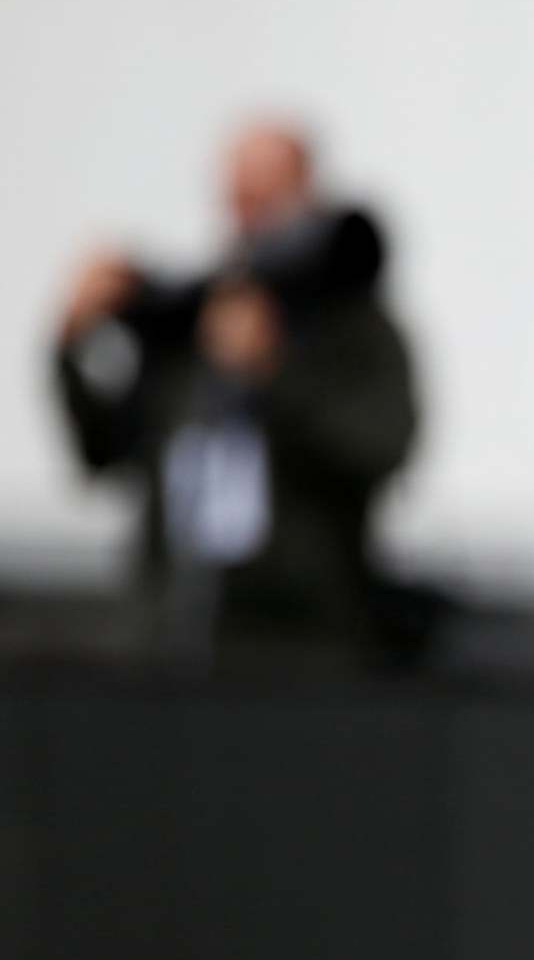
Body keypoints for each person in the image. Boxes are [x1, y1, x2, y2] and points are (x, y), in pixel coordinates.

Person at [52, 122, 418, 657]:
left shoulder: (353, 327)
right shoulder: (195, 320)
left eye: (268, 191)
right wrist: (72, 346)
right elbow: (103, 452)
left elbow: (379, 449)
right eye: (239, 191)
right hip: (172, 635)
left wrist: (272, 374)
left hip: (304, 645)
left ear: (308, 193)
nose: (250, 209)